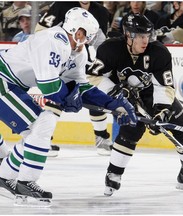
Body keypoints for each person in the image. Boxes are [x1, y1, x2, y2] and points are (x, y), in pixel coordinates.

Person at [0, 7, 137, 205]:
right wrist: (69, 98)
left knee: (38, 128)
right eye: (86, 35)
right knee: (42, 123)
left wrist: (117, 104)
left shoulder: (78, 52)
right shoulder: (53, 40)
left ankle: (6, 176)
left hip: (12, 83)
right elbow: (49, 88)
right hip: (3, 80)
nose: (88, 40)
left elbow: (83, 88)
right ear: (76, 31)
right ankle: (20, 179)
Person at [87, 13, 183, 196]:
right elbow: (93, 76)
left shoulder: (159, 52)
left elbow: (165, 85)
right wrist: (115, 92)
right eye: (139, 36)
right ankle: (113, 173)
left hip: (153, 95)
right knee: (132, 129)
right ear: (127, 34)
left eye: (147, 35)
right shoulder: (110, 49)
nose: (144, 40)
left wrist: (161, 110)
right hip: (123, 97)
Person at [35, 1, 113, 155]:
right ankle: (44, 139)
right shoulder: (61, 5)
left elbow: (102, 43)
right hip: (61, 61)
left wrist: (98, 59)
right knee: (56, 97)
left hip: (88, 62)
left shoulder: (102, 12)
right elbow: (40, 31)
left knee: (94, 95)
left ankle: (101, 137)